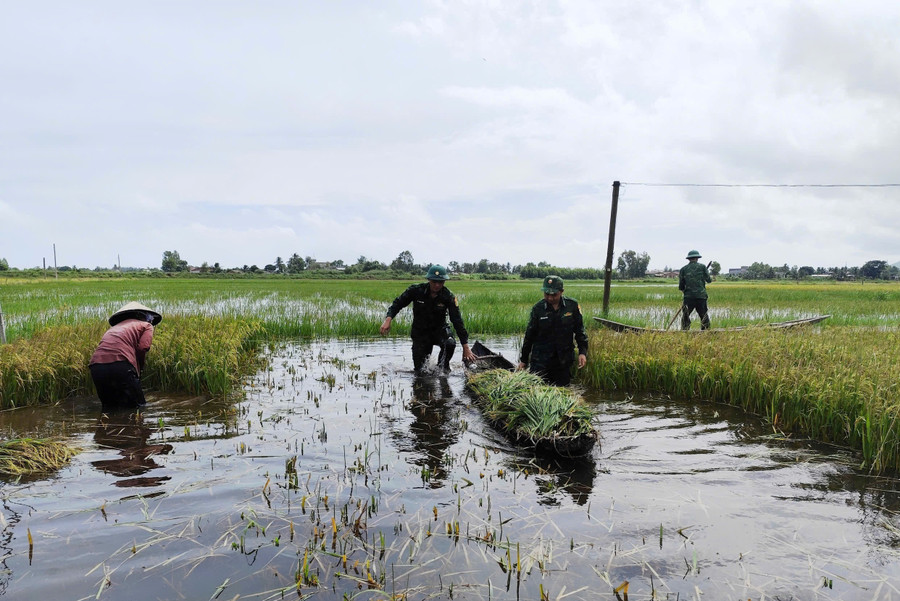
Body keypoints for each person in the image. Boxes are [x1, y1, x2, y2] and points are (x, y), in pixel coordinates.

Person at [380, 264, 476, 371]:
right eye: (434, 281)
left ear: (444, 282)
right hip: (420, 332)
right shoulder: (416, 291)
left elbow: (457, 320)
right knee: (420, 370)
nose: (437, 285)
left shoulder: (448, 296)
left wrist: (465, 347)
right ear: (429, 280)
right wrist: (388, 319)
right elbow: (398, 304)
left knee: (450, 343)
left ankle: (442, 369)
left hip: (439, 330)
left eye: (440, 282)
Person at [89, 301, 162, 411]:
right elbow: (142, 348)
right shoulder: (146, 325)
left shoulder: (113, 328)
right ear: (142, 316)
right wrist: (140, 368)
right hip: (121, 364)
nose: (150, 320)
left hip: (96, 367)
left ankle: (107, 428)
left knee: (109, 408)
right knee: (139, 407)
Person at [517, 275, 588, 386]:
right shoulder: (538, 309)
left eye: (554, 295)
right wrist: (524, 360)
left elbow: (580, 331)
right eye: (547, 294)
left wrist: (582, 352)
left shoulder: (572, 306)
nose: (550, 298)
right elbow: (529, 335)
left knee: (562, 393)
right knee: (538, 393)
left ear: (561, 292)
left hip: (563, 361)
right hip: (540, 361)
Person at [679, 249, 712, 330]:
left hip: (688, 297)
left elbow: (681, 286)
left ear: (689, 259)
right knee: (703, 315)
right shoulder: (703, 267)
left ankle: (685, 331)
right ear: (697, 258)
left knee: (685, 315)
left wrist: (684, 291)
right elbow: (709, 280)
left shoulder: (683, 269)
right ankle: (706, 331)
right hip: (701, 296)